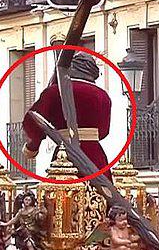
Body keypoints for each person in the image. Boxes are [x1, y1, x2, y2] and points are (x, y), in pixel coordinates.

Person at [22, 51, 113, 180]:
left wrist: (32, 147)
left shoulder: (53, 92)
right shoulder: (103, 95)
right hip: (95, 156)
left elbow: (33, 120)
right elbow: (103, 131)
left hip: (64, 154)